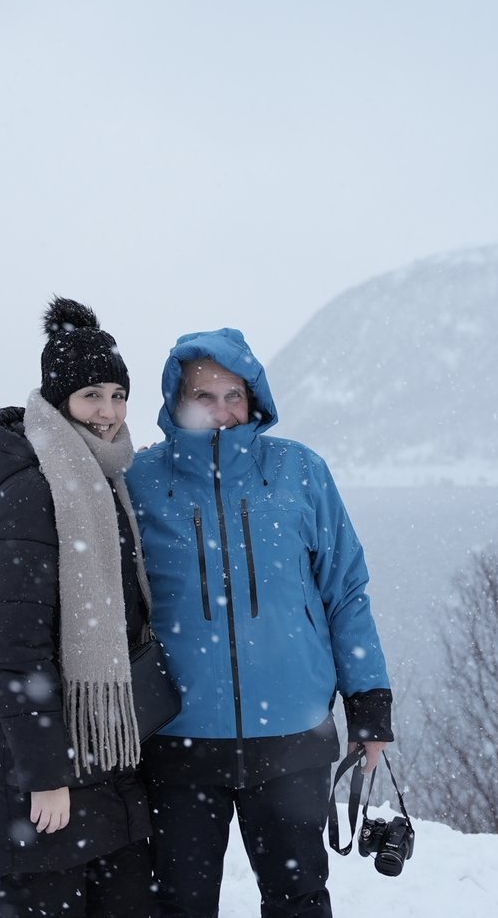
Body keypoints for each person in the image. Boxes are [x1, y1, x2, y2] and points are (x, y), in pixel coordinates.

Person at [125, 328, 393, 918]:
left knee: (299, 901)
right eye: (203, 396)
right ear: (175, 401)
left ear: (254, 399)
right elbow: (89, 588)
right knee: (179, 906)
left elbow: (346, 592)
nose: (222, 411)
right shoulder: (140, 480)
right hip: (178, 740)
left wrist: (369, 704)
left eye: (234, 395)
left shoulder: (300, 470)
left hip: (292, 739)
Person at [0, 297, 157, 918]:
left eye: (118, 395)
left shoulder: (101, 481)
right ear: (58, 399)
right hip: (43, 773)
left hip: (98, 759)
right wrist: (45, 776)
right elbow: (13, 645)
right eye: (92, 395)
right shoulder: (35, 489)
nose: (108, 412)